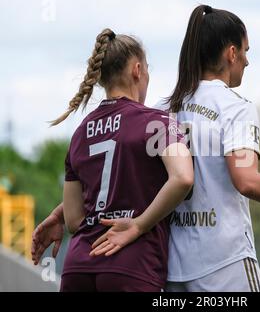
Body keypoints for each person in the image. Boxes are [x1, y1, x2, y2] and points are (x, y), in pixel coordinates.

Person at [32, 6, 260, 292]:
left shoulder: (166, 110)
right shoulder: (235, 107)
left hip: (174, 268)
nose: (247, 62)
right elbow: (247, 182)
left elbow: (122, 172)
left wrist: (62, 212)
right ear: (231, 53)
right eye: (246, 52)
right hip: (224, 263)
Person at [47, 28, 193, 292]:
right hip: (132, 265)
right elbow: (183, 178)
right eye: (148, 70)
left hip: (79, 264)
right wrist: (138, 225)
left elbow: (73, 220)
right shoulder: (155, 121)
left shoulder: (80, 132)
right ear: (137, 70)